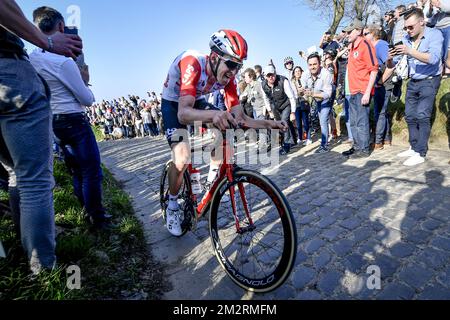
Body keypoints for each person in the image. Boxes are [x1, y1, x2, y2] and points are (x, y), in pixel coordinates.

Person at [161, 29, 287, 236]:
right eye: (231, 64)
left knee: (226, 124)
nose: (234, 71)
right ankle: (173, 205)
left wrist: (270, 124)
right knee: (182, 157)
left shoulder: (229, 80)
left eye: (239, 66)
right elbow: (183, 114)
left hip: (195, 101)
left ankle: (213, 180)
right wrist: (212, 116)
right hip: (175, 104)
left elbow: (242, 118)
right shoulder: (193, 63)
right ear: (213, 57)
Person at [0, 0, 82, 275]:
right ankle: (44, 269)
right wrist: (47, 43)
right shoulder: (50, 54)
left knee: (14, 171)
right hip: (7, 72)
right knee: (34, 179)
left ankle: (23, 248)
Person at [393, 8, 444, 166]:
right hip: (413, 80)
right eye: (406, 28)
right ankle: (414, 147)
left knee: (422, 115)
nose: (408, 31)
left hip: (430, 79)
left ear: (422, 22)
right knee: (409, 115)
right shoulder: (408, 39)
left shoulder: (435, 35)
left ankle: (421, 152)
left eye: (411, 27)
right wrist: (390, 59)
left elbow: (434, 59)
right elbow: (398, 61)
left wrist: (410, 51)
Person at [341, 19, 379, 159]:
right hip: (352, 90)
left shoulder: (365, 44)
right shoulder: (352, 46)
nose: (348, 34)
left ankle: (363, 149)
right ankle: (356, 146)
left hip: (362, 90)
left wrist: (368, 92)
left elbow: (374, 69)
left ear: (358, 30)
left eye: (350, 32)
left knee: (361, 121)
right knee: (353, 121)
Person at [300, 53, 333, 153]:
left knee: (323, 119)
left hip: (326, 96)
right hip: (316, 97)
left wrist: (313, 94)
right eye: (310, 65)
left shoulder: (326, 74)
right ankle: (327, 136)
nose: (312, 67)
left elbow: (328, 94)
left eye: (315, 64)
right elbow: (303, 90)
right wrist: (301, 91)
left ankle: (324, 145)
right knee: (320, 118)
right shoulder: (305, 74)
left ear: (319, 64)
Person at [262, 65, 297, 155]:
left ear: (275, 73)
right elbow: (265, 99)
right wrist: (269, 111)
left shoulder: (283, 80)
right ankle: (292, 141)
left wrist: (293, 112)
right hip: (275, 107)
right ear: (265, 76)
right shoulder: (263, 85)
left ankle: (286, 145)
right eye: (269, 75)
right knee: (279, 125)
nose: (271, 77)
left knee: (284, 123)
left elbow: (291, 97)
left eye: (273, 74)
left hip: (286, 105)